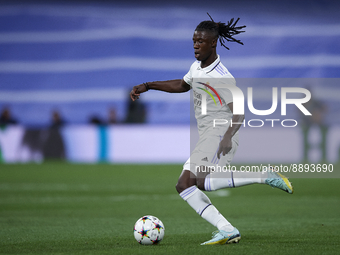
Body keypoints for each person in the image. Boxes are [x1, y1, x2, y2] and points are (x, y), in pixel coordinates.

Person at [130, 14, 293, 245]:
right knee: (184, 184)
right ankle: (227, 229)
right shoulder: (197, 67)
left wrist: (227, 137)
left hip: (220, 134)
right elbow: (182, 85)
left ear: (213, 43)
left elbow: (240, 112)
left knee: (201, 181)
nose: (195, 45)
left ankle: (263, 175)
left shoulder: (222, 77)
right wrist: (148, 85)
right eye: (194, 41)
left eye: (200, 41)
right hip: (207, 135)